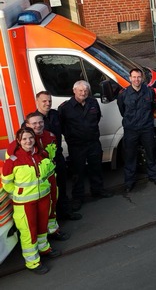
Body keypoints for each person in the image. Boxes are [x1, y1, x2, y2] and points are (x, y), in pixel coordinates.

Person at [2, 127, 60, 274]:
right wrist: (20, 193)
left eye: (31, 138)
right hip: (25, 203)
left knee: (42, 226)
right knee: (29, 231)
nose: (28, 141)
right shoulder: (13, 161)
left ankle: (44, 248)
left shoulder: (41, 154)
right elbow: (7, 184)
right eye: (24, 139)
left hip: (43, 199)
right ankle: (32, 261)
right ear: (19, 141)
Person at [59, 80, 113, 211]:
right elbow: (61, 126)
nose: (83, 93)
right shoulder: (65, 108)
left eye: (86, 91)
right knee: (78, 172)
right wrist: (72, 136)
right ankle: (78, 197)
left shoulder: (93, 102)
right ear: (74, 91)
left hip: (93, 142)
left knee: (96, 168)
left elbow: (97, 118)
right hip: (76, 145)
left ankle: (98, 190)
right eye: (80, 91)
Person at [33, 91, 81, 221]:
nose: (47, 103)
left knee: (62, 186)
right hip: (43, 162)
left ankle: (66, 212)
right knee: (49, 191)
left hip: (57, 157)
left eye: (49, 101)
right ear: (37, 101)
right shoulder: (33, 120)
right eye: (44, 101)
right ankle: (53, 218)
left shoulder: (55, 114)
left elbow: (65, 129)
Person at [117, 68, 156, 193]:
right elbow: (122, 111)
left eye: (138, 77)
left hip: (146, 128)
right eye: (134, 77)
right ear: (130, 78)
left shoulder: (149, 92)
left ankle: (154, 176)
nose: (136, 79)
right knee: (130, 156)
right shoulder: (123, 94)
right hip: (131, 129)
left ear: (142, 78)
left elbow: (152, 107)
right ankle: (129, 181)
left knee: (151, 152)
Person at [25, 112, 68, 241]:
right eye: (34, 123)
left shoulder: (50, 136)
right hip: (35, 184)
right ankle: (42, 237)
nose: (38, 125)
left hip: (50, 178)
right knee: (39, 212)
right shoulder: (24, 140)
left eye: (40, 122)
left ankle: (53, 230)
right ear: (27, 125)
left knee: (52, 204)